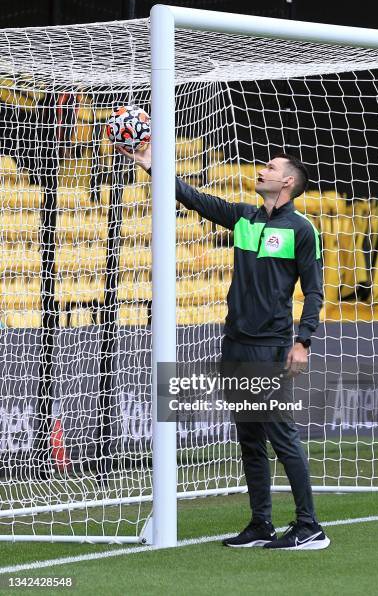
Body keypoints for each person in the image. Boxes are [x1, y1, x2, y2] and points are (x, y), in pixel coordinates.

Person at [117, 142, 330, 551]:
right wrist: (150, 163)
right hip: (235, 343)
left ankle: (310, 526)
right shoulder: (243, 218)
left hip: (270, 347)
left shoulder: (301, 230)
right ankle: (261, 524)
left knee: (281, 436)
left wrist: (303, 341)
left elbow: (314, 291)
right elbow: (191, 197)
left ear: (287, 182)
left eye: (270, 167)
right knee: (249, 438)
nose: (261, 171)